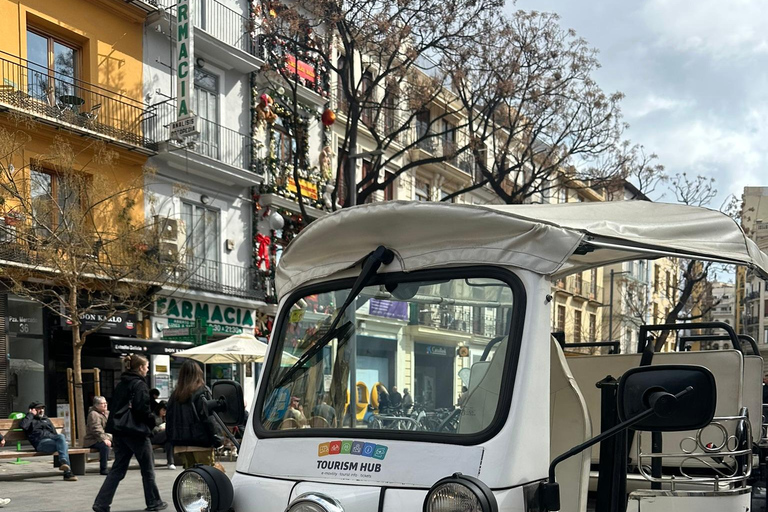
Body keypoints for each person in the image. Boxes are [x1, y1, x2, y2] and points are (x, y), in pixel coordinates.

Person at [93, 354, 166, 512]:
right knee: (148, 469)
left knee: (117, 469)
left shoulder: (122, 384)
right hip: (136, 432)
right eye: (146, 367)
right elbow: (142, 410)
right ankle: (154, 502)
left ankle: (101, 503)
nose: (147, 369)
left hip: (120, 432)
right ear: (140, 368)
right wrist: (153, 421)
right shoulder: (139, 385)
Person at [167, 360, 221, 469]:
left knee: (191, 477)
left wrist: (172, 439)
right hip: (201, 442)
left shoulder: (175, 394)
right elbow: (208, 417)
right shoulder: (202, 391)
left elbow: (169, 418)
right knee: (207, 475)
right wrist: (218, 438)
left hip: (181, 443)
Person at [20, 401, 77, 481]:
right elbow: (23, 426)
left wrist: (61, 441)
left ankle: (64, 463)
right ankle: (67, 472)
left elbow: (54, 433)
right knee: (63, 445)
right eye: (38, 408)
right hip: (40, 443)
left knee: (61, 438)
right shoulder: (29, 419)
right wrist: (31, 415)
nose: (42, 410)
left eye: (42, 408)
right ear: (32, 410)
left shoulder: (46, 419)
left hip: (51, 441)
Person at [83, 396, 112, 475]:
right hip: (92, 440)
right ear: (96, 405)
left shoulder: (107, 413)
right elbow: (96, 429)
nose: (105, 405)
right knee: (104, 446)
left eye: (105, 403)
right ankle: (104, 468)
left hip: (106, 436)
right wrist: (104, 439)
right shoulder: (93, 414)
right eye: (102, 403)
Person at [151, 401, 175, 470]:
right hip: (153, 437)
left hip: (163, 437)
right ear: (159, 409)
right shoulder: (153, 416)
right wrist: (160, 428)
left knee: (169, 442)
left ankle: (170, 462)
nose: (165, 412)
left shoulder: (166, 417)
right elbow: (151, 429)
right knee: (168, 433)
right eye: (163, 410)